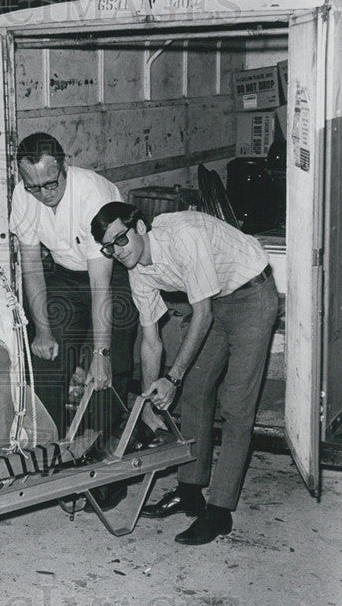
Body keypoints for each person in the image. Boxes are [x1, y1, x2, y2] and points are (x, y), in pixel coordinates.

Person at [91, 202, 278, 545]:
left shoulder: (183, 238)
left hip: (252, 293)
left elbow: (201, 315)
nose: (117, 252)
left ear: (141, 228)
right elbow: (151, 343)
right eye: (108, 247)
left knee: (236, 404)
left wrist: (171, 378)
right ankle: (190, 491)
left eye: (121, 240)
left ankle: (220, 512)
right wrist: (148, 402)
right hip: (215, 299)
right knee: (195, 390)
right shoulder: (138, 271)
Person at [9, 132, 137, 439]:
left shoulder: (93, 194)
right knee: (44, 359)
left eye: (51, 183)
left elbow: (100, 285)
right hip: (66, 275)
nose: (43, 193)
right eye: (33, 186)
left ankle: (102, 456)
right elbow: (31, 266)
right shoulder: (23, 195)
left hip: (112, 277)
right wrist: (42, 331)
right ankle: (52, 447)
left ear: (64, 166)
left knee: (106, 368)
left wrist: (101, 353)